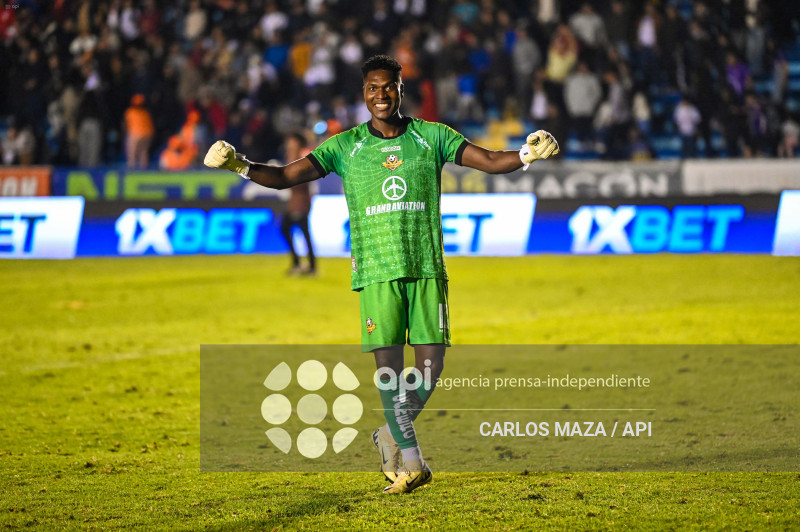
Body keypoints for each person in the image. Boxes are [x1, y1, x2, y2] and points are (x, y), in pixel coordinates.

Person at [203, 55, 559, 495]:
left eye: (388, 87)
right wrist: (238, 163)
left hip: (426, 267)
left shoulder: (432, 136)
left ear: (400, 90)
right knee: (389, 373)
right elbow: (284, 177)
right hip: (375, 273)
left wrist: (526, 153)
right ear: (364, 93)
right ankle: (412, 461)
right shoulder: (344, 146)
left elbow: (487, 159)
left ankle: (390, 432)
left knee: (430, 369)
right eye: (372, 88)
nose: (380, 95)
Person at [280, 132, 316, 276]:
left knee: (301, 232)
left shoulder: (302, 157)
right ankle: (305, 265)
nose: (289, 144)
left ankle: (307, 266)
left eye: (292, 142)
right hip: (294, 201)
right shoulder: (291, 157)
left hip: (301, 202)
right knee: (290, 229)